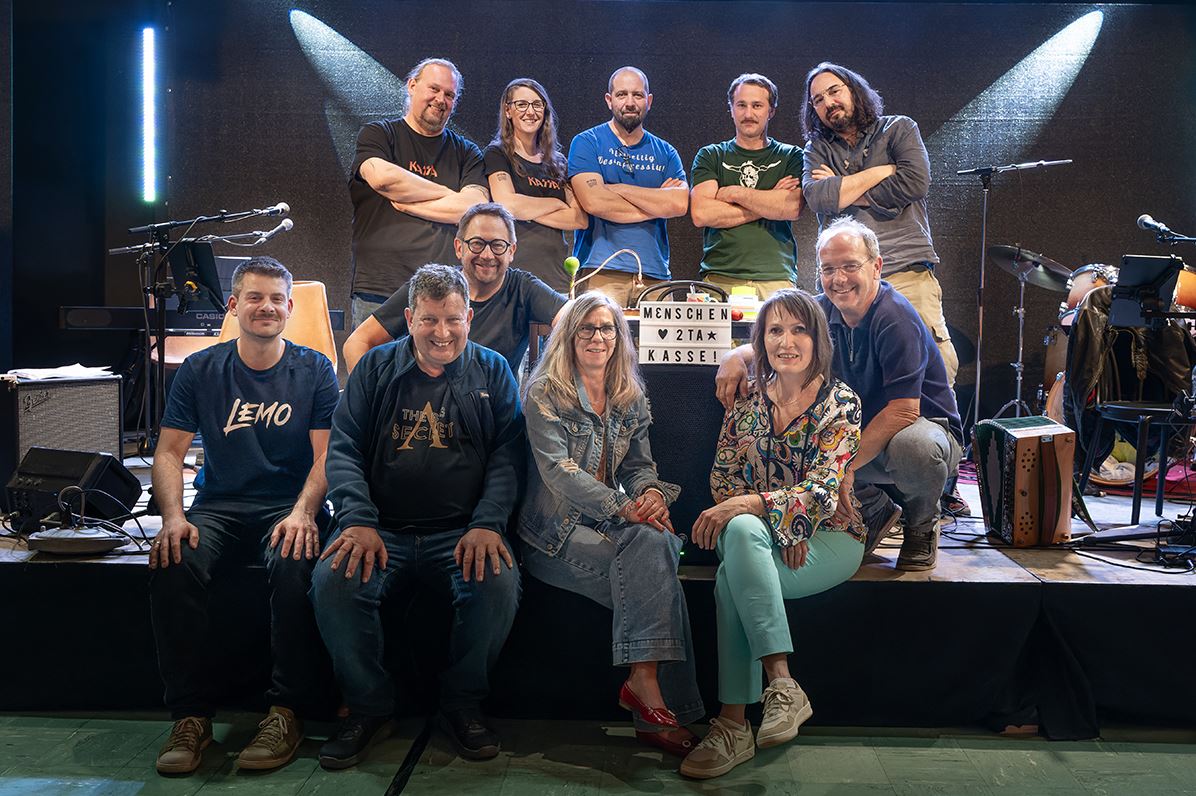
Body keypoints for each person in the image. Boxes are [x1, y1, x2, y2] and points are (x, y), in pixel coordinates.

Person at [311, 264, 524, 768]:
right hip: (380, 529)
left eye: (452, 319)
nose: (441, 332)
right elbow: (343, 449)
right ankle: (368, 706)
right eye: (429, 320)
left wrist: (487, 523)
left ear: (469, 318)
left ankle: (461, 703)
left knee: (497, 582)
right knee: (334, 580)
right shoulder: (374, 368)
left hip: (461, 532)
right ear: (409, 319)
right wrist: (356, 520)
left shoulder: (494, 371)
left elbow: (509, 456)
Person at [148, 257, 340, 775]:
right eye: (255, 297)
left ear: (290, 307)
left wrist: (304, 512)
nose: (266, 307)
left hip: (288, 506)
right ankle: (190, 716)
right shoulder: (201, 369)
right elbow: (168, 453)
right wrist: (172, 517)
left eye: (276, 298)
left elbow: (327, 456)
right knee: (172, 559)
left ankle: (286, 712)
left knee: (294, 562)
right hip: (219, 506)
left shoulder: (315, 369)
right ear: (233, 305)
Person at [680, 289, 865, 779]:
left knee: (732, 576)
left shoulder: (841, 403)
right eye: (775, 330)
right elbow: (724, 479)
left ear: (818, 338)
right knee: (742, 530)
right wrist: (777, 523)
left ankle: (732, 725)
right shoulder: (746, 400)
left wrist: (776, 518)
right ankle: (781, 684)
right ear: (760, 340)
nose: (787, 342)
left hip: (831, 537)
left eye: (799, 330)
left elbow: (824, 490)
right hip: (759, 535)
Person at [519, 293, 704, 757]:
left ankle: (645, 687)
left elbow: (638, 467)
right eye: (587, 328)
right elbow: (559, 473)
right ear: (569, 336)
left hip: (608, 522)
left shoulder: (628, 394)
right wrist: (624, 508)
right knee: (659, 579)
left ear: (620, 337)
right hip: (554, 534)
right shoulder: (545, 392)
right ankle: (671, 713)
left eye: (607, 328)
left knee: (658, 542)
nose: (597, 337)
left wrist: (652, 495)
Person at [800, 62, 958, 388]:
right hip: (845, 284)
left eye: (834, 91)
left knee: (932, 372)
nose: (828, 103)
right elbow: (818, 197)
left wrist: (843, 188)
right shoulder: (817, 149)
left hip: (905, 271)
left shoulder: (899, 128)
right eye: (818, 100)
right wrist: (882, 171)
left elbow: (914, 183)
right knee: (849, 380)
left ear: (854, 90)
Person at [815, 218, 962, 570]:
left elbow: (904, 411)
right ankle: (875, 509)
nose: (839, 279)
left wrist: (843, 466)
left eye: (850, 266)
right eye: (828, 269)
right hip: (868, 435)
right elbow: (773, 333)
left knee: (914, 447)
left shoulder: (895, 316)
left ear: (876, 266)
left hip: (926, 432)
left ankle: (921, 526)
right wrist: (737, 358)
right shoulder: (820, 310)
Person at [342, 202, 567, 376]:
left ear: (511, 251)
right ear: (459, 247)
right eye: (477, 243)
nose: (487, 255)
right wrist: (370, 401)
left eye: (498, 245)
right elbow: (358, 342)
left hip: (491, 410)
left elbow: (573, 318)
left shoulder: (524, 288)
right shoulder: (429, 284)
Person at [349, 57, 488, 327]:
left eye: (449, 95)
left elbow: (473, 209)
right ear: (412, 86)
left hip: (443, 294)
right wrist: (450, 194)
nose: (440, 99)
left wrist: (409, 203)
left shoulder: (467, 152)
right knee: (374, 357)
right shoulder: (379, 134)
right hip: (379, 290)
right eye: (434, 89)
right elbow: (383, 179)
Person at [568, 66, 688, 307]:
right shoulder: (587, 142)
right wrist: (657, 203)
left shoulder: (666, 152)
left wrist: (617, 188)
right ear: (609, 100)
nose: (630, 102)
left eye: (638, 95)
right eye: (622, 95)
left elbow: (678, 204)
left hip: (656, 275)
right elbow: (594, 202)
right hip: (600, 271)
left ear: (649, 101)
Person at [690, 73, 804, 299]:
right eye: (741, 105)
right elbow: (702, 214)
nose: (748, 114)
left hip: (776, 279)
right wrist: (770, 200)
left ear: (771, 111)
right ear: (731, 109)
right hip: (720, 277)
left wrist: (733, 193)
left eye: (757, 106)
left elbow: (791, 208)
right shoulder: (711, 155)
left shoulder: (791, 156)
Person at [484, 78, 588, 292]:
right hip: (513, 275)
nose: (530, 112)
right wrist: (556, 204)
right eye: (521, 104)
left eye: (537, 104)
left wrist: (527, 210)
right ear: (508, 110)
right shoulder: (497, 154)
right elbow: (508, 205)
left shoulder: (558, 162)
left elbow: (579, 218)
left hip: (556, 277)